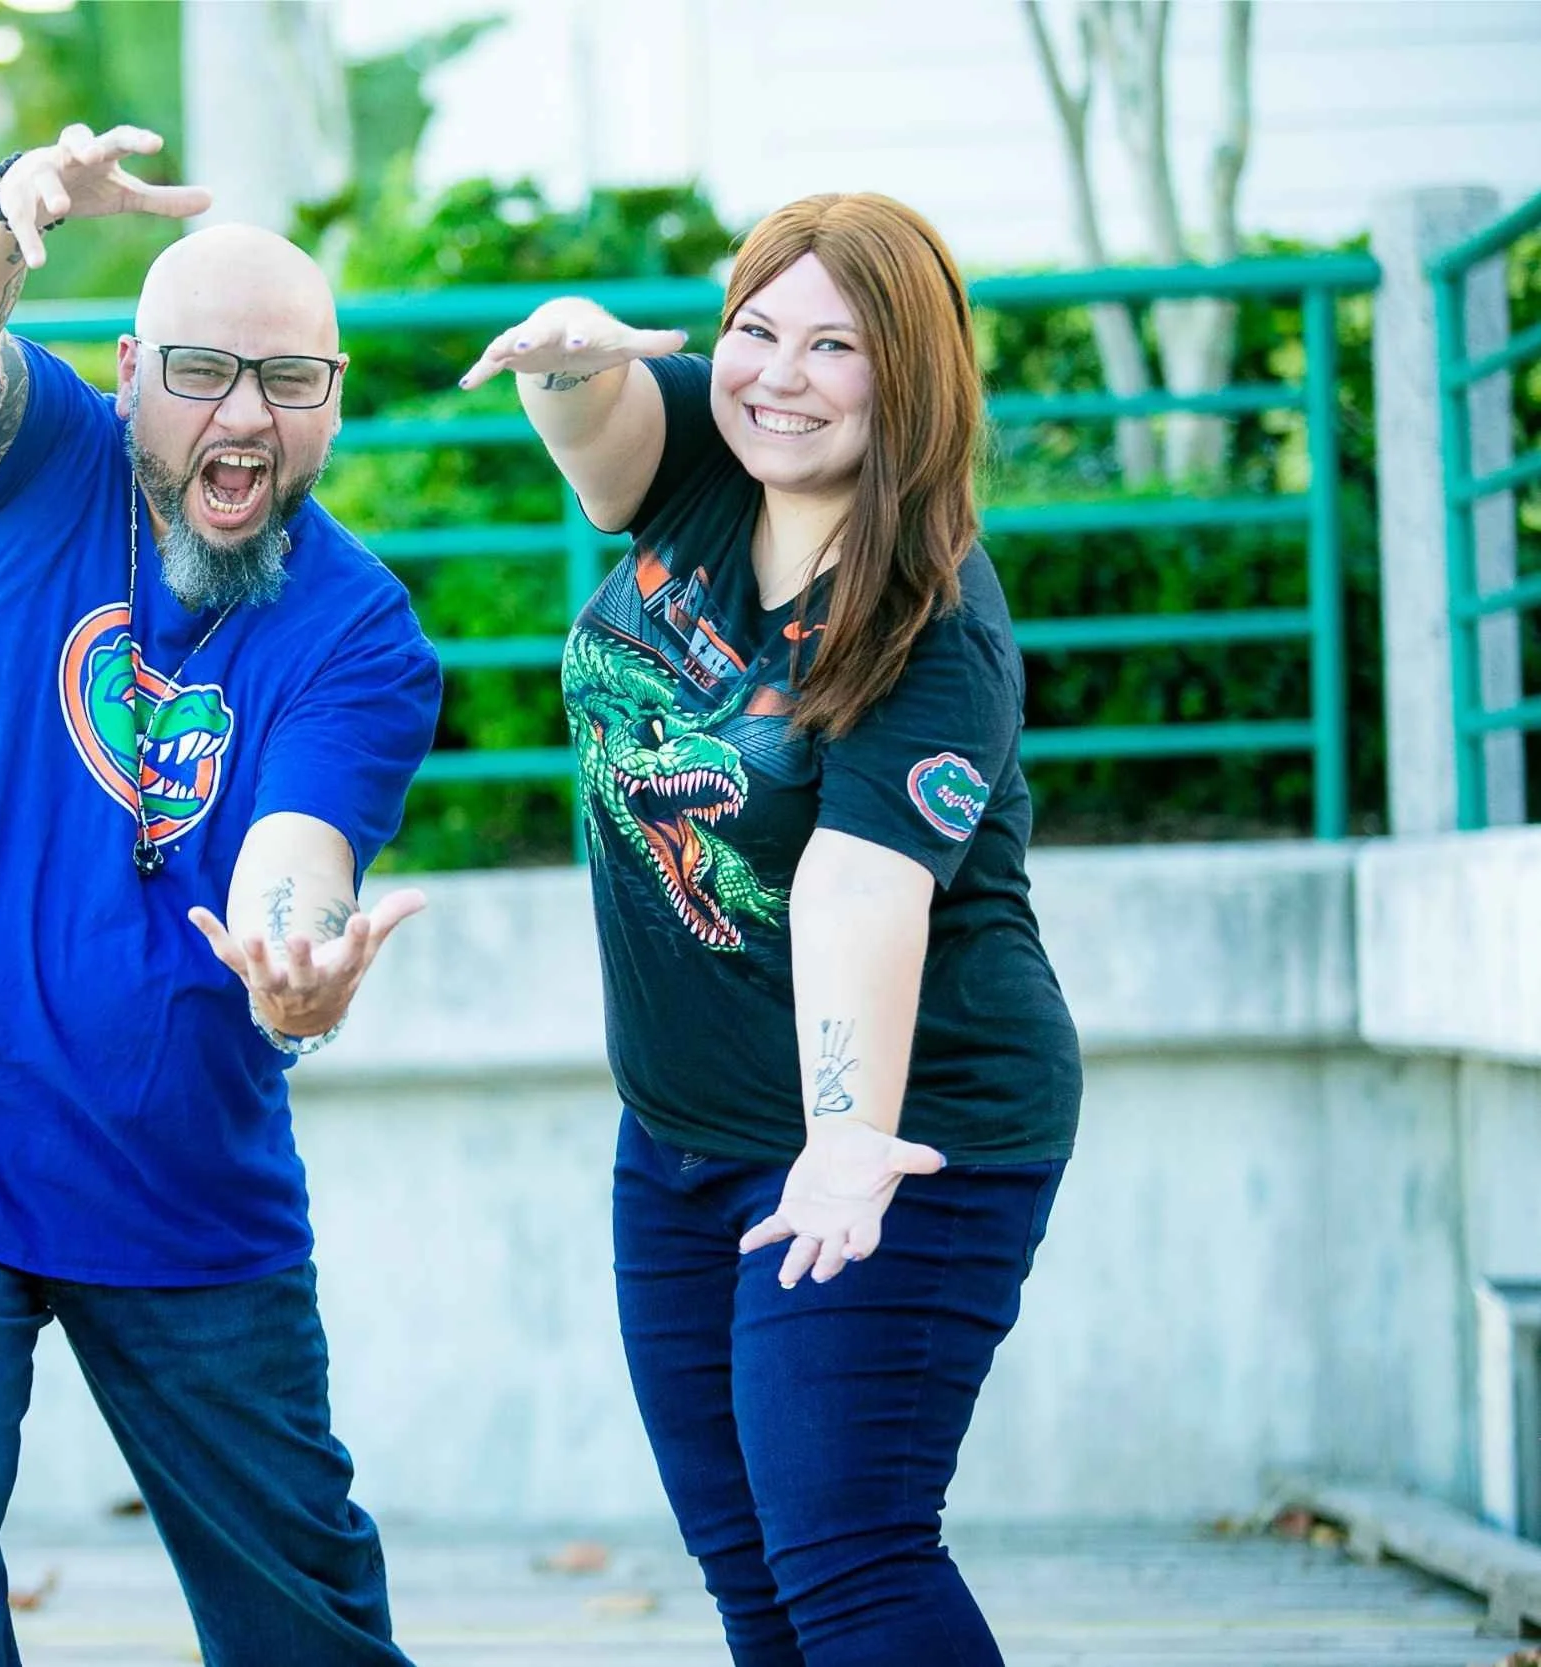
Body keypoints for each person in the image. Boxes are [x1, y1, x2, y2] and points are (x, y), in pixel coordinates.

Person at [0, 124, 441, 1666]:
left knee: (298, 1597)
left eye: (292, 382)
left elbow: (300, 848)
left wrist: (298, 955)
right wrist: (11, 209)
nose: (245, 417)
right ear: (127, 370)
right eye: (203, 372)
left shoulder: (361, 635)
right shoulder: (37, 459)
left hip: (174, 1162)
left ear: (334, 397)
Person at [459, 193, 1081, 1666]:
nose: (779, 374)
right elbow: (599, 451)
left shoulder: (935, 623)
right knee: (755, 1573)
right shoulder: (711, 448)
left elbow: (858, 885)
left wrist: (848, 1135)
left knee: (852, 1565)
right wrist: (567, 361)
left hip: (905, 1132)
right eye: (754, 331)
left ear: (910, 380)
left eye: (834, 347)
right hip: (678, 1133)